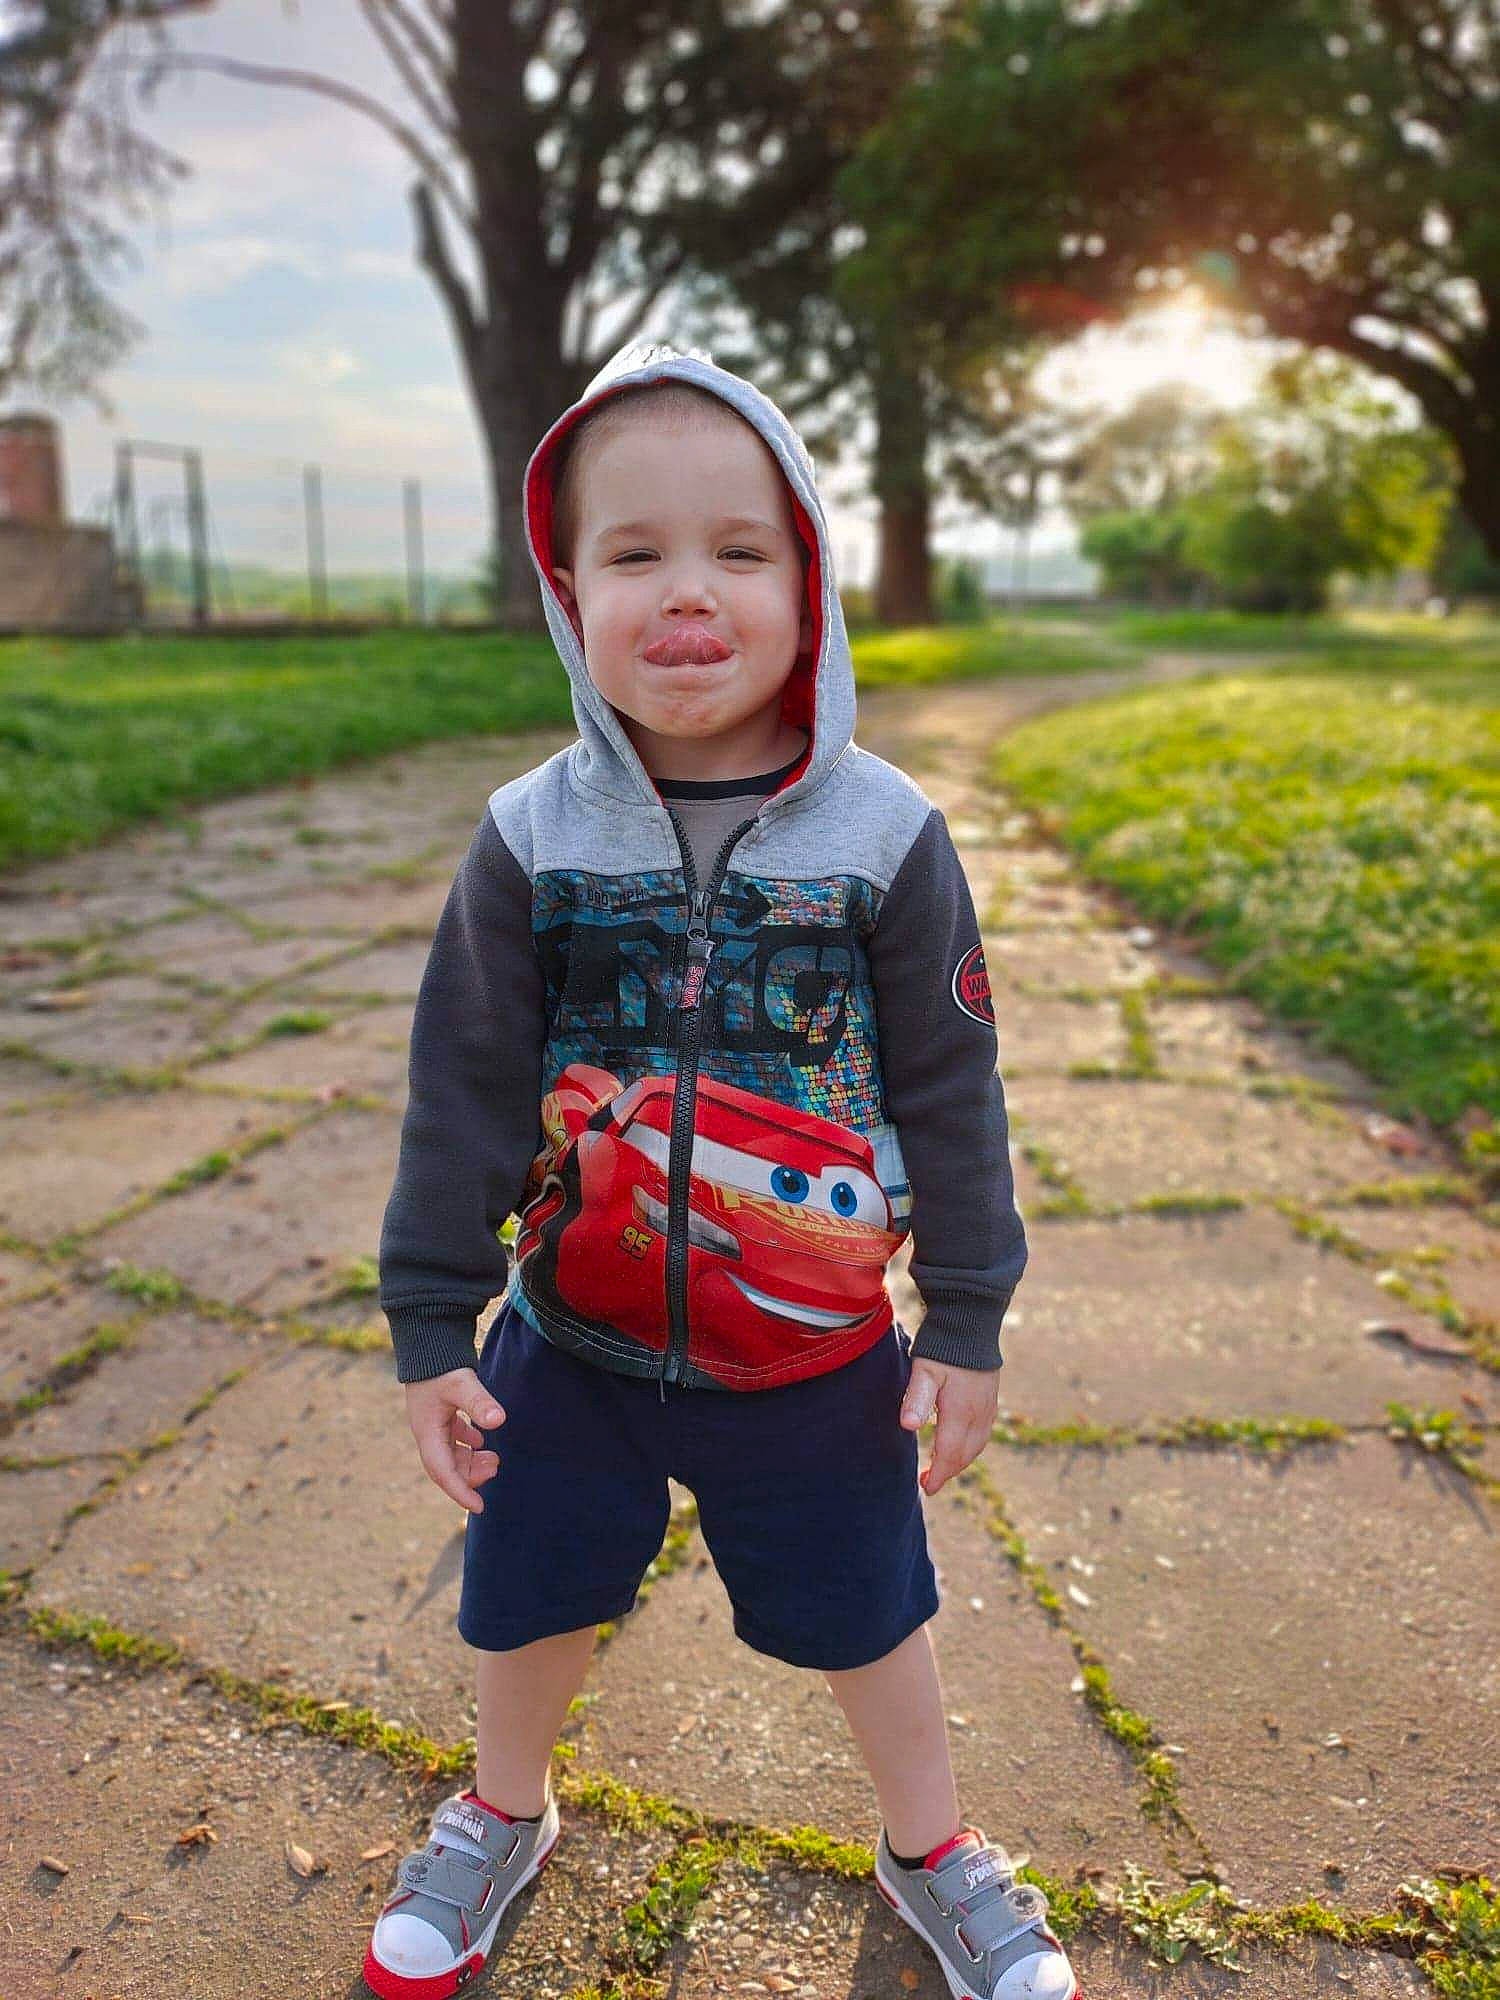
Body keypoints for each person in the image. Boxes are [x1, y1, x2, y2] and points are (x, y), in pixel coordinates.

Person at [362, 340, 1076, 2000]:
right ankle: (499, 1812)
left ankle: (932, 1852)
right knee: (526, 1593)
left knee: (872, 1609)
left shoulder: (885, 832)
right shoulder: (528, 836)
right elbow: (461, 1083)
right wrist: (428, 1327)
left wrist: (965, 1317)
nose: (688, 593)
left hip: (815, 1346)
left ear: (809, 583)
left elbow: (954, 1085)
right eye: (635, 553)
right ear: (566, 592)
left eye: (738, 551)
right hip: (575, 1342)